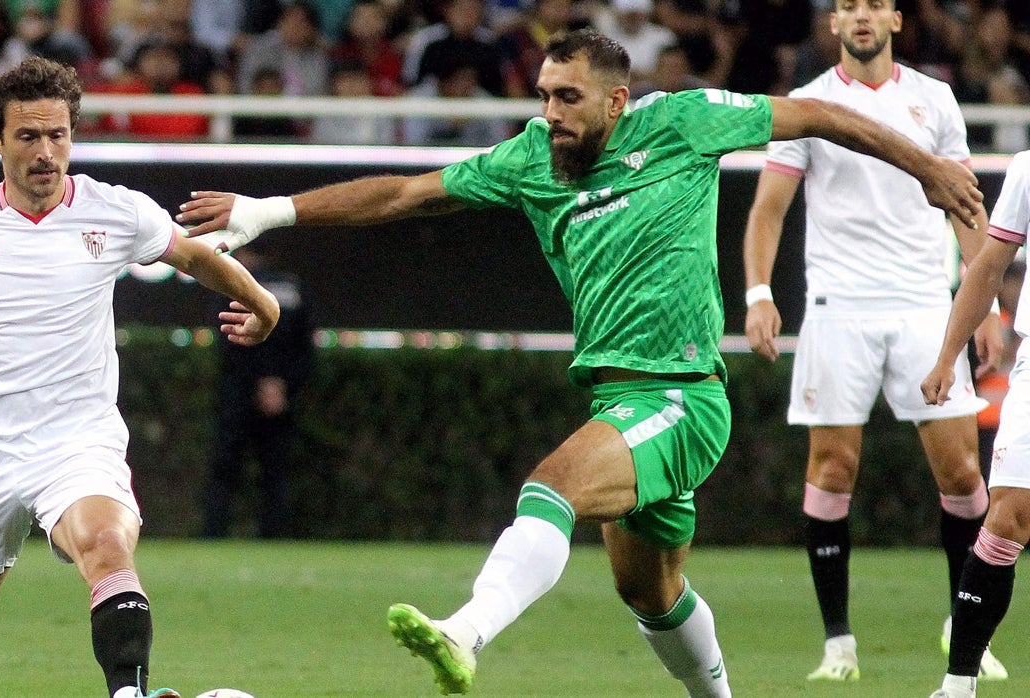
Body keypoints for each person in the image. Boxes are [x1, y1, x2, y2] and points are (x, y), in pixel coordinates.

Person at [174, 28, 985, 697]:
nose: (551, 113)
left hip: (682, 394)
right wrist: (266, 209)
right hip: (618, 403)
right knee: (651, 594)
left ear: (616, 101)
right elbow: (405, 194)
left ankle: (466, 631)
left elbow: (817, 115)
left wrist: (931, 168)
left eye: (567, 98)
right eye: (543, 96)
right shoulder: (532, 160)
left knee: (551, 485)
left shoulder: (684, 121)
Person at [0, 56, 280, 698]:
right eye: (27, 136)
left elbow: (194, 255)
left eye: (58, 135)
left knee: (107, 544)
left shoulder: (116, 212)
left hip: (75, 443)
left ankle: (129, 693)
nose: (46, 151)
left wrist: (263, 302)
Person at [742, 0, 1007, 683]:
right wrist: (759, 293)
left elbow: (964, 205)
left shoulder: (934, 98)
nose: (861, 16)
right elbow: (768, 207)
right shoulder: (806, 104)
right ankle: (838, 644)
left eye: (874, 5)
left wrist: (982, 309)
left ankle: (963, 624)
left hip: (925, 304)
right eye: (848, 6)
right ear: (834, 23)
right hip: (838, 306)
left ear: (895, 19)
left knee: (963, 475)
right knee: (832, 471)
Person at [922, 149, 1030, 698]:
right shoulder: (1028, 168)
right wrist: (948, 355)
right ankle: (958, 683)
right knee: (1007, 517)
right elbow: (987, 266)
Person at [203, 246, 315, 539]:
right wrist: (280, 383)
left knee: (225, 469)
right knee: (276, 473)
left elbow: (227, 342)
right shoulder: (292, 286)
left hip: (239, 393)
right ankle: (274, 537)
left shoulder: (232, 282)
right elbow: (306, 347)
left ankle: (213, 535)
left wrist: (256, 381)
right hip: (281, 396)